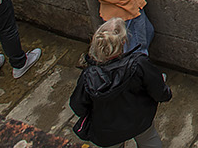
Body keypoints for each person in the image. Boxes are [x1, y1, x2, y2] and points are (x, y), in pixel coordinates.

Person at [70, 17, 171, 148]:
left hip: (108, 131)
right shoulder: (139, 64)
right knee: (149, 140)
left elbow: (77, 106)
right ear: (123, 42)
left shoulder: (88, 76)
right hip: (139, 120)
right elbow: (160, 92)